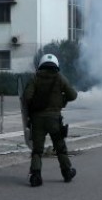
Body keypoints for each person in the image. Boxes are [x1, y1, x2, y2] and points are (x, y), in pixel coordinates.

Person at [22, 53, 78, 187]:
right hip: (54, 119)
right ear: (56, 65)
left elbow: (26, 97)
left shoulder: (35, 78)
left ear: (41, 64)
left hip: (37, 120)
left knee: (37, 150)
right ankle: (66, 172)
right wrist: (62, 100)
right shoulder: (60, 78)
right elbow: (73, 95)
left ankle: (35, 176)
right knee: (60, 148)